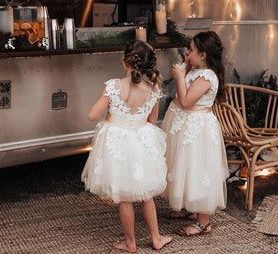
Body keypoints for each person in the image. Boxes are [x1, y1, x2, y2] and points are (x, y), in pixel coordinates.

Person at [81, 40, 172, 253]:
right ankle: (156, 238)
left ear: (125, 63)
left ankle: (131, 243)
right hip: (142, 141)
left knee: (124, 196)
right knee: (145, 194)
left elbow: (92, 114)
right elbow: (152, 120)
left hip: (118, 145)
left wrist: (112, 113)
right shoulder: (154, 89)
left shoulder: (113, 86)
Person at [161, 31, 229, 236]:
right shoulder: (197, 70)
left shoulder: (207, 76)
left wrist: (181, 76)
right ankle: (189, 209)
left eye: (191, 50)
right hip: (185, 126)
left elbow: (186, 101)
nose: (187, 53)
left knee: (197, 169)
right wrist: (187, 67)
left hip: (196, 130)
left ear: (203, 55)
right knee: (183, 167)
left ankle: (203, 222)